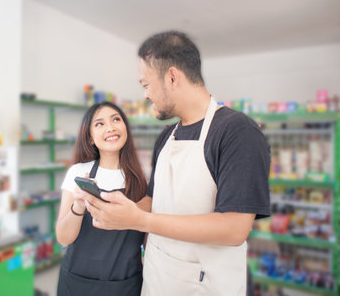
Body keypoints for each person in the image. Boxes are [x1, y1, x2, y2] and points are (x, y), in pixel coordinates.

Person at [84, 31, 271, 295]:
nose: (146, 95)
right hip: (158, 278)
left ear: (172, 77)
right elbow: (154, 199)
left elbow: (234, 228)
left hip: (204, 285)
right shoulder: (166, 136)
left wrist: (139, 220)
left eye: (146, 85)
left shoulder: (237, 132)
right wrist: (118, 211)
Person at [55, 101, 149, 296]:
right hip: (77, 283)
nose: (110, 127)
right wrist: (79, 206)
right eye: (100, 124)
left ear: (126, 128)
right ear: (90, 138)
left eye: (116, 119)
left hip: (125, 284)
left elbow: (148, 234)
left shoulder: (144, 178)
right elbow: (63, 238)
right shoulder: (79, 172)